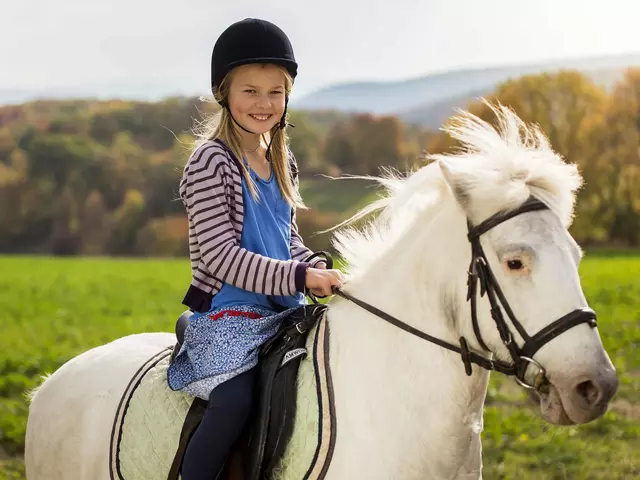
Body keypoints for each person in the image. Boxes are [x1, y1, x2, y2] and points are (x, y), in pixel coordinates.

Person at [166, 17, 344, 480]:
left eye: (275, 92)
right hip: (230, 316)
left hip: (285, 312)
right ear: (224, 92)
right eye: (250, 90)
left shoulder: (281, 159)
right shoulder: (210, 161)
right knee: (234, 402)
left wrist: (316, 266)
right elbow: (222, 256)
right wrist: (301, 277)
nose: (264, 104)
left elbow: (287, 241)